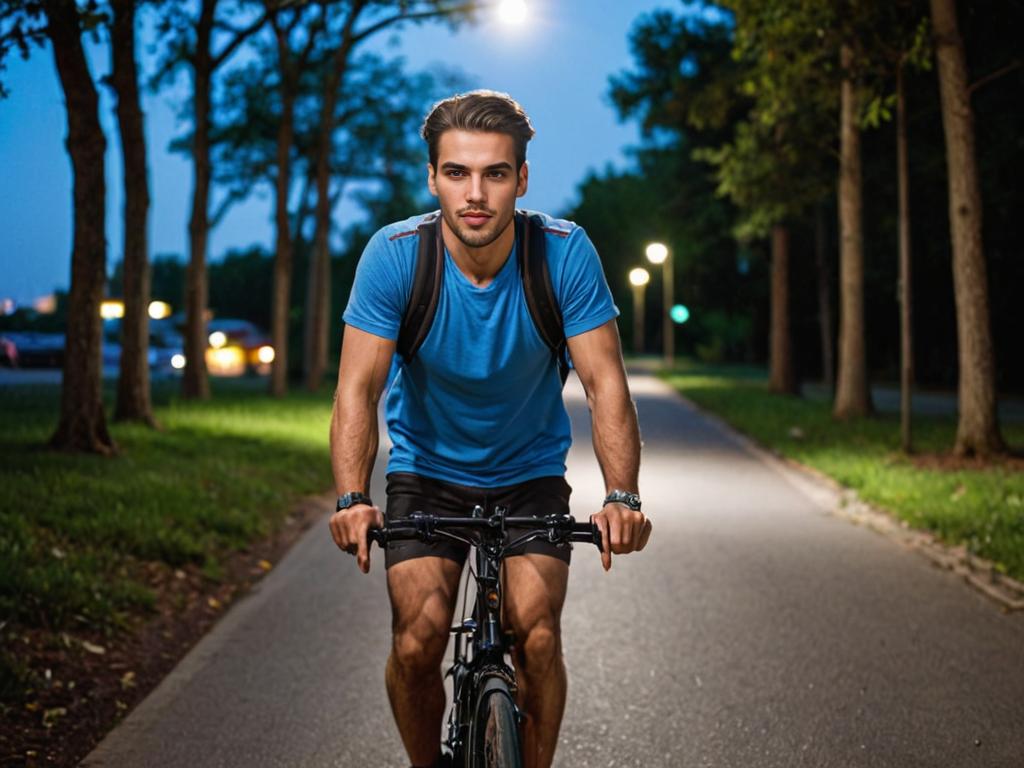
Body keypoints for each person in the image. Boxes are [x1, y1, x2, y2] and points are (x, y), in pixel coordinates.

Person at [328, 90, 651, 768]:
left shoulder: (563, 254)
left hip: (529, 475)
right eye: (457, 173)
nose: (475, 194)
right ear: (433, 177)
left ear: (521, 179)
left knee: (536, 637)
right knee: (417, 641)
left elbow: (605, 384)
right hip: (428, 474)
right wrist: (354, 497)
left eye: (495, 174)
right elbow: (358, 387)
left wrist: (621, 495)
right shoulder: (395, 257)